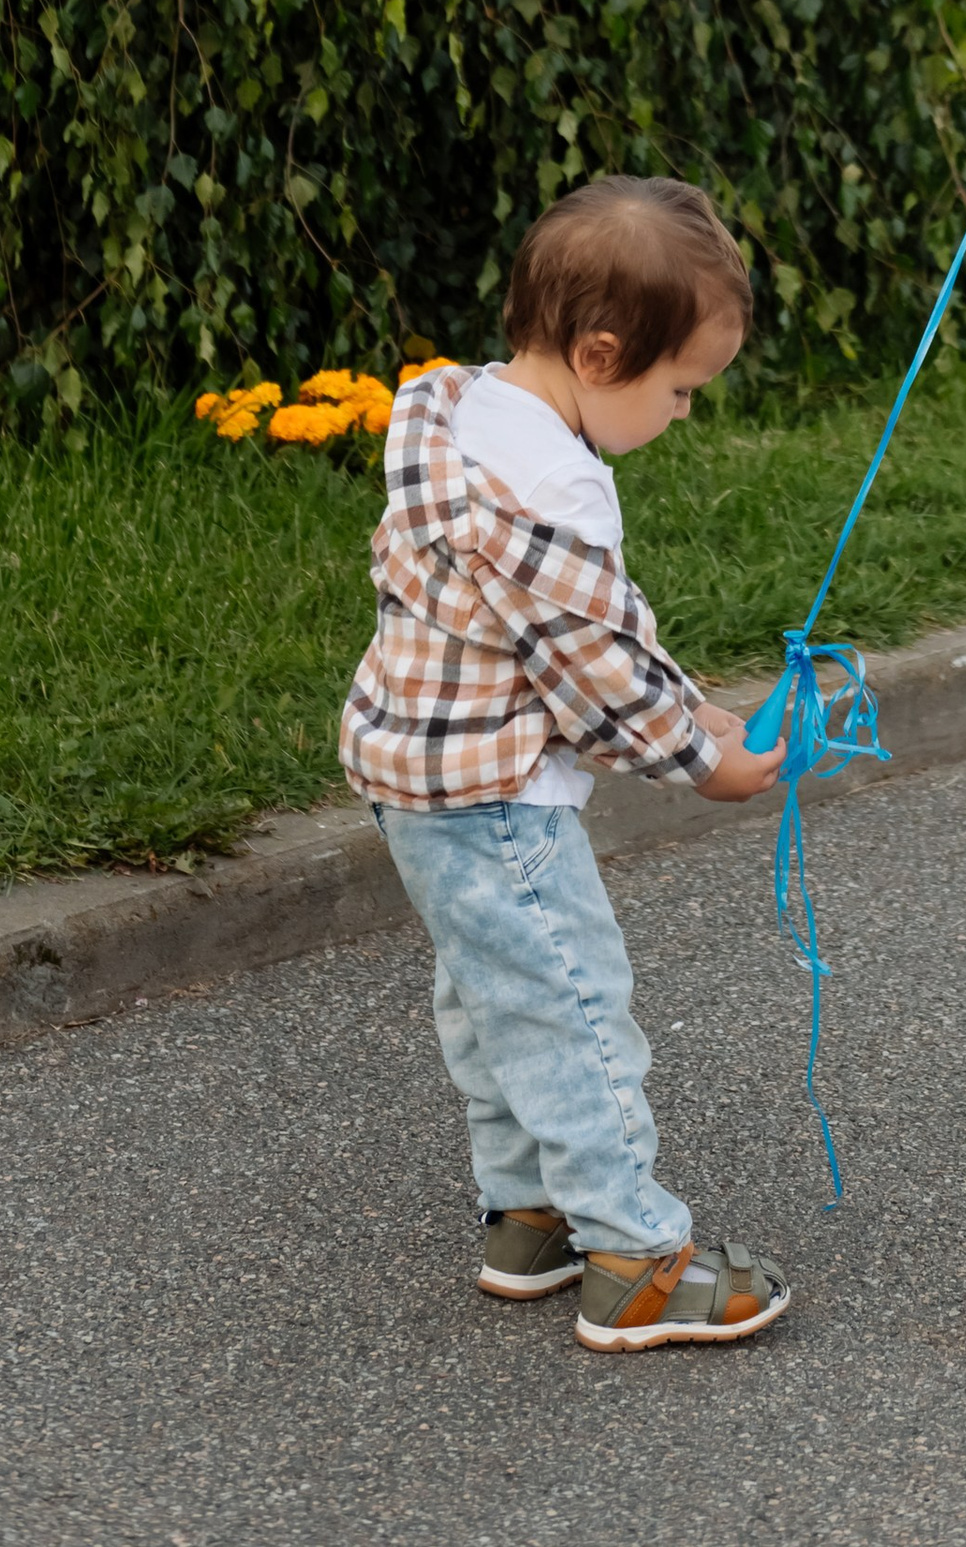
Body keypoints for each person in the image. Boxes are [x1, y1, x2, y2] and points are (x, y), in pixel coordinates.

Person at [344, 172, 792, 1354]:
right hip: (499, 799)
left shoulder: (458, 416)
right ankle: (634, 1258)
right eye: (681, 387)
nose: (686, 412)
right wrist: (705, 756)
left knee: (496, 1002)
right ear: (600, 354)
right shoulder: (553, 490)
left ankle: (529, 1214)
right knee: (574, 1008)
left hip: (418, 785)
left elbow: (584, 636)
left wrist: (690, 697)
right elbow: (595, 671)